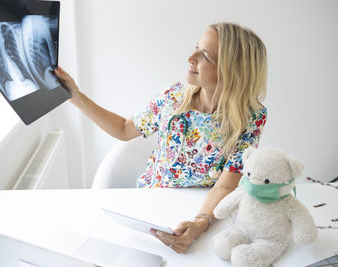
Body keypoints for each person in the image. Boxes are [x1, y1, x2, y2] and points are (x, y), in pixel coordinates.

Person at [53, 22, 268, 254]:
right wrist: (75, 96)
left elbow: (227, 183)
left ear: (232, 71)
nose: (190, 57)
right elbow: (124, 129)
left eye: (204, 55)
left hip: (205, 208)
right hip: (153, 201)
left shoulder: (252, 116)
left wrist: (200, 222)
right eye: (196, 47)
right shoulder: (173, 96)